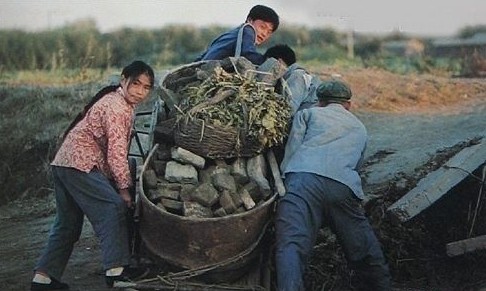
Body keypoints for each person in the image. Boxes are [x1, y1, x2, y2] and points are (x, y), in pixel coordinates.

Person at [30, 60, 155, 291]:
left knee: (67, 224)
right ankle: (116, 273)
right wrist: (124, 189)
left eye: (146, 87)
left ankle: (43, 278)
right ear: (123, 80)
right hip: (80, 163)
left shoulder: (117, 102)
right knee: (113, 207)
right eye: (135, 83)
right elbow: (116, 155)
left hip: (64, 162)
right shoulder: (117, 108)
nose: (139, 91)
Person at [275, 80, 391, 291]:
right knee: (362, 245)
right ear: (348, 105)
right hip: (342, 186)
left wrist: (284, 180)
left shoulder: (309, 114)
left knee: (291, 244)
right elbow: (357, 165)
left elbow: (292, 149)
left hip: (303, 181)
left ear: (320, 102)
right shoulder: (359, 127)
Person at [194, 5, 279, 65]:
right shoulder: (248, 29)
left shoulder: (234, 34)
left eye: (269, 32)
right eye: (262, 27)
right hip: (208, 71)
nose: (264, 34)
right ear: (250, 20)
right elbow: (248, 55)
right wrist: (269, 62)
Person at [264, 44, 320, 115]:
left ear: (279, 62)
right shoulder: (293, 75)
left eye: (268, 64)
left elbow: (289, 110)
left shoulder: (297, 76)